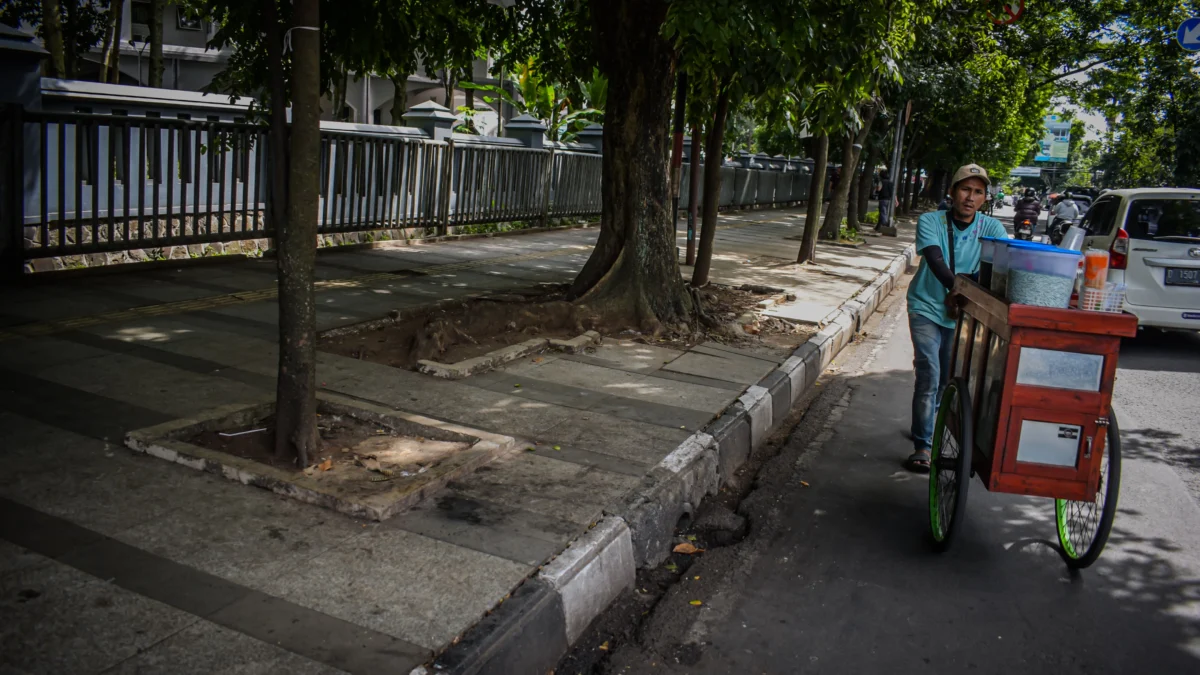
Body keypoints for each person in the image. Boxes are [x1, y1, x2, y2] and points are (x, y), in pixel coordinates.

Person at [905, 163, 1008, 472]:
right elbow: (935, 259)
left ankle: (927, 424)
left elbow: (1000, 266)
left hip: (962, 313)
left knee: (947, 379)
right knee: (930, 372)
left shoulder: (992, 229)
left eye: (978, 192)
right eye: (965, 189)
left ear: (984, 198)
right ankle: (923, 445)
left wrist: (965, 293)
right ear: (951, 192)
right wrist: (956, 287)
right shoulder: (930, 220)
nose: (970, 197)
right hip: (925, 306)